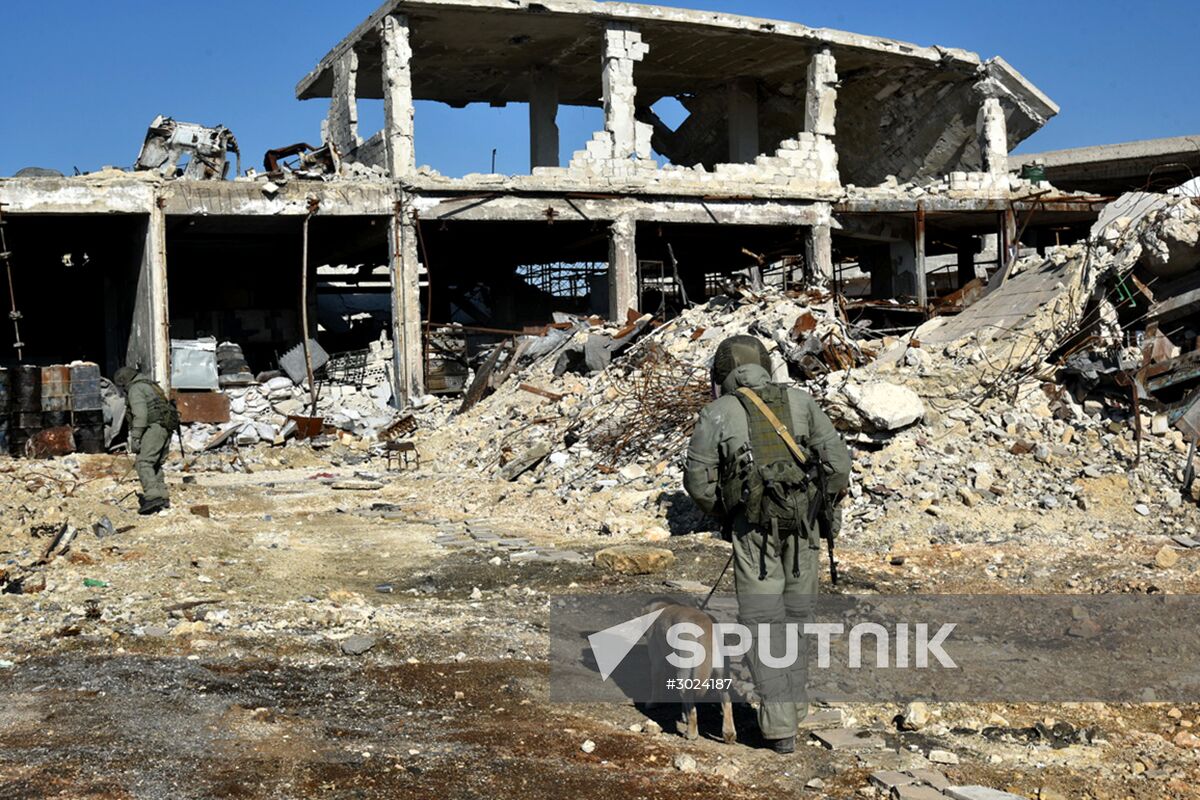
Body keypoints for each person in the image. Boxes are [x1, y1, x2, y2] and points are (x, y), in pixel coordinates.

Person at [683, 335, 851, 754]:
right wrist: (819, 509)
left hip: (754, 534)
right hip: (804, 528)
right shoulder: (801, 402)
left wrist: (727, 512)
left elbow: (697, 483)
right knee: (798, 617)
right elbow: (838, 466)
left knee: (763, 624)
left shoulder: (717, 413)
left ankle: (779, 730)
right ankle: (793, 709)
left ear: (723, 374)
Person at [113, 367, 178, 515]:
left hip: (153, 428)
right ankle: (162, 495)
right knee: (155, 464)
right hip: (165, 428)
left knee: (143, 462)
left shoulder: (136, 389)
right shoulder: (150, 385)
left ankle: (152, 497)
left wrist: (136, 436)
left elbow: (140, 415)